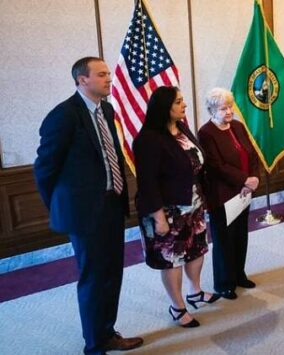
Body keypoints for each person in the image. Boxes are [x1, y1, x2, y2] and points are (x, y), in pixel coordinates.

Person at [33, 57, 143, 354]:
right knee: (94, 276)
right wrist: (59, 205)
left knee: (112, 273)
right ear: (82, 80)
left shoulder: (106, 109)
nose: (110, 79)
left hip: (111, 205)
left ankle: (107, 331)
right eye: (102, 74)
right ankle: (95, 345)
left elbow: (110, 157)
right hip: (84, 213)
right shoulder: (63, 116)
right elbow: (45, 169)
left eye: (108, 73)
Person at [133, 86, 219, 328]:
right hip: (167, 211)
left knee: (196, 250)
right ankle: (177, 306)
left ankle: (195, 292)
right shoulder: (148, 139)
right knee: (173, 259)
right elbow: (147, 182)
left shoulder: (181, 128)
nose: (184, 105)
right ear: (164, 107)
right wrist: (159, 217)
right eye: (179, 101)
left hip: (193, 205)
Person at [198, 88, 260, 300]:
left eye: (230, 107)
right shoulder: (206, 133)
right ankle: (224, 283)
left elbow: (251, 154)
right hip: (222, 194)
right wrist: (244, 180)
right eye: (223, 108)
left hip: (244, 191)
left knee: (241, 234)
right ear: (211, 110)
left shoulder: (238, 126)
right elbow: (216, 165)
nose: (228, 112)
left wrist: (253, 179)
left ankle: (239, 274)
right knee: (224, 239)